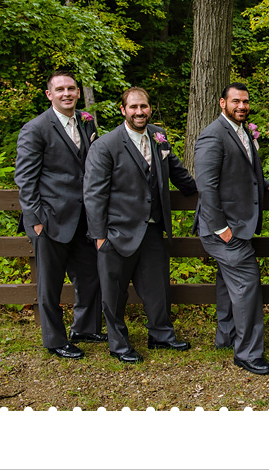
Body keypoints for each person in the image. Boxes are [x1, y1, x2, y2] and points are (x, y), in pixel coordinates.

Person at [84, 87, 196, 363]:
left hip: (153, 228)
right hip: (116, 231)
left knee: (157, 287)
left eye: (143, 106)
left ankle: (161, 335)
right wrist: (99, 236)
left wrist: (204, 190)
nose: (139, 112)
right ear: (123, 110)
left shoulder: (159, 136)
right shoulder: (106, 145)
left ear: (149, 108)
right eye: (133, 107)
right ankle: (119, 344)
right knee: (115, 292)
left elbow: (177, 171)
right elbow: (94, 193)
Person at [15, 71, 105, 359]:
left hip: (83, 218)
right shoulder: (36, 128)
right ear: (49, 95)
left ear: (78, 92)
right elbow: (25, 179)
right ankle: (55, 340)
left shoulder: (86, 122)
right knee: (50, 284)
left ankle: (85, 327)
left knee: (91, 275)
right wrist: (35, 221)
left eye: (72, 88)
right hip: (50, 219)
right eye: (60, 89)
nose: (67, 93)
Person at [194, 83, 269, 375]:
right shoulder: (213, 136)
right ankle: (248, 353)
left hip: (239, 224)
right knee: (247, 285)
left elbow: (247, 171)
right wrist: (220, 228)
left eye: (245, 101)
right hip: (224, 228)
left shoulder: (242, 133)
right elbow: (206, 185)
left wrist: (267, 185)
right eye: (236, 101)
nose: (242, 106)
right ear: (222, 103)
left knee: (228, 285)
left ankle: (226, 337)